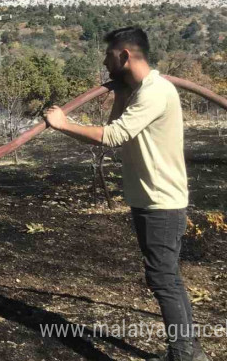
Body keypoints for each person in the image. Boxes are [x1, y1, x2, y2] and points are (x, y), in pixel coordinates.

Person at [43, 27, 209, 361]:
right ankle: (189, 353)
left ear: (124, 56)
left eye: (107, 56)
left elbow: (113, 135)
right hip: (150, 199)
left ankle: (184, 355)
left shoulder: (156, 91)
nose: (105, 63)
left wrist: (62, 124)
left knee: (163, 279)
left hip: (161, 202)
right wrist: (119, 95)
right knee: (166, 278)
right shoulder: (139, 92)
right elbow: (119, 126)